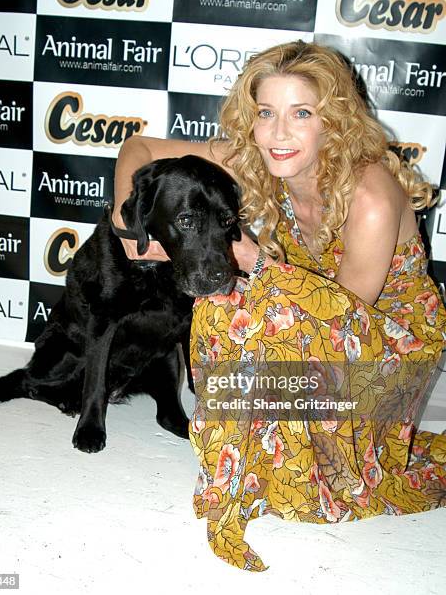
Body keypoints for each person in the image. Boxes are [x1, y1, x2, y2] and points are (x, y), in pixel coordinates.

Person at [112, 40, 446, 572]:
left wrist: (255, 261)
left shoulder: (371, 196)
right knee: (220, 294)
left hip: (386, 342)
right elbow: (140, 149)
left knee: (248, 300)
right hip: (311, 312)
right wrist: (122, 221)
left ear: (332, 122)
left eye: (301, 114)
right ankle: (242, 456)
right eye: (266, 113)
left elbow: (344, 317)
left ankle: (285, 453)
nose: (279, 132)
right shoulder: (268, 157)